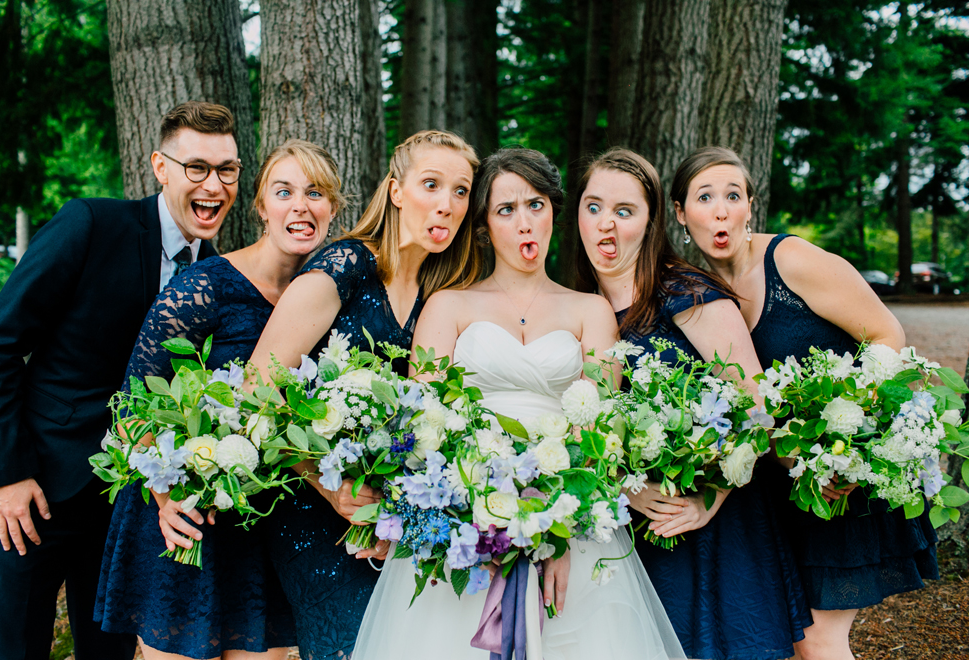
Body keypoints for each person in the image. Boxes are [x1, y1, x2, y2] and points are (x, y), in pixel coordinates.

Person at [352, 147, 687, 660]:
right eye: (506, 210)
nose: (525, 222)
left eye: (536, 205)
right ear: (484, 226)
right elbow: (426, 422)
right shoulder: (449, 305)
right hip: (464, 520)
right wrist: (479, 517)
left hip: (569, 517)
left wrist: (553, 534)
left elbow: (600, 429)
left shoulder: (590, 312)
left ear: (555, 211)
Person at [0, 101, 239, 660]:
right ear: (160, 167)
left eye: (227, 170)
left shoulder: (219, 274)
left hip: (129, 511)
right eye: (197, 167)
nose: (213, 185)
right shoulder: (92, 224)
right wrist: (7, 475)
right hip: (36, 493)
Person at [672, 146, 937, 660]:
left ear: (751, 206)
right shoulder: (698, 292)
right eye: (705, 197)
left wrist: (852, 439)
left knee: (818, 642)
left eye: (733, 195)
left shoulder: (790, 260)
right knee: (795, 639)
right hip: (778, 490)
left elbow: (886, 333)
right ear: (682, 214)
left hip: (840, 480)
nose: (721, 209)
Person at [94, 139, 344, 659]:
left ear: (333, 210)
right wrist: (166, 495)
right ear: (260, 207)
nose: (300, 205)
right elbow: (130, 404)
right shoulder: (203, 286)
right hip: (191, 523)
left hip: (270, 530)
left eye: (315, 193)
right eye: (284, 191)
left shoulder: (331, 299)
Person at [247, 130, 480, 660]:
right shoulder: (346, 266)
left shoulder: (439, 295)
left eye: (461, 191)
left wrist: (395, 511)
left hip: (391, 519)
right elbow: (258, 387)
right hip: (312, 508)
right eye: (431, 184)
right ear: (396, 191)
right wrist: (331, 488)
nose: (447, 205)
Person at [574, 148, 813, 660]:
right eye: (594, 207)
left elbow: (756, 407)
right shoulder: (574, 307)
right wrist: (624, 489)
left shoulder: (687, 293)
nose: (606, 226)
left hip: (717, 526)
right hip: (628, 528)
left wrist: (713, 496)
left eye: (624, 211)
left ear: (652, 220)